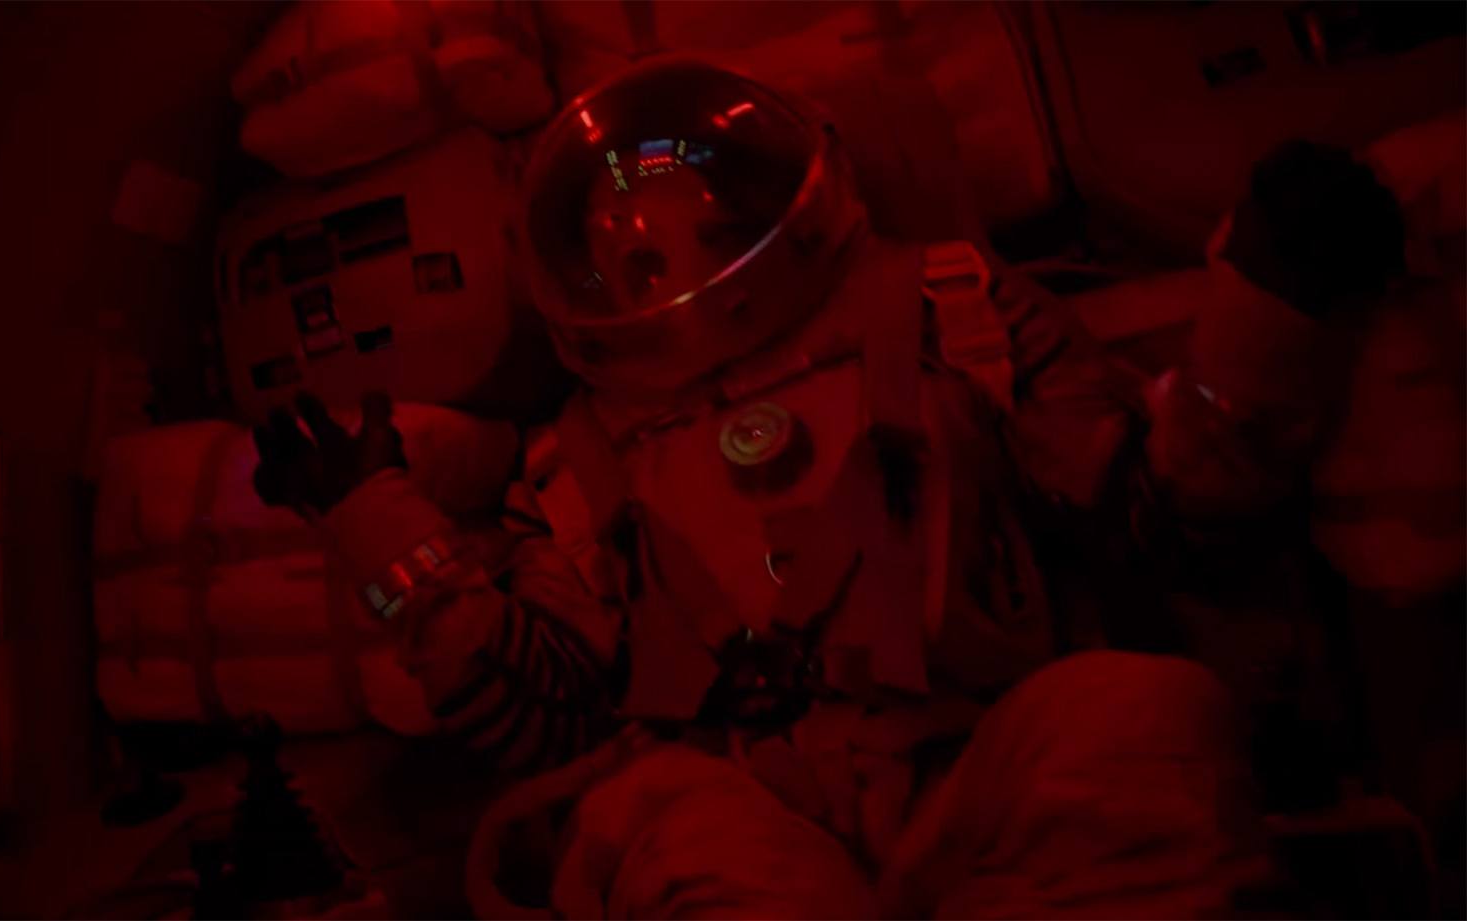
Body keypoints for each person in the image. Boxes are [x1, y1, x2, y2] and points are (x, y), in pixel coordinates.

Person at [253, 58, 1268, 917]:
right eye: (632, 252)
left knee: (1137, 718)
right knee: (659, 824)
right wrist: (381, 532)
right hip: (737, 801)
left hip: (976, 763)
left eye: (697, 222)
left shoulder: (957, 315)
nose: (674, 268)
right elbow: (547, 713)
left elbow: (1156, 526)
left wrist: (1266, 326)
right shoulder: (573, 458)